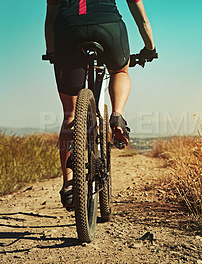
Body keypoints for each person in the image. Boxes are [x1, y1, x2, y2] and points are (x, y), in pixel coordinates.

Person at [44, 0, 156, 209]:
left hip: (68, 29)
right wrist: (150, 47)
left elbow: (51, 17)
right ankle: (117, 115)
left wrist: (52, 52)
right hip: (108, 26)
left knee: (70, 115)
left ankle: (69, 185)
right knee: (120, 71)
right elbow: (139, 14)